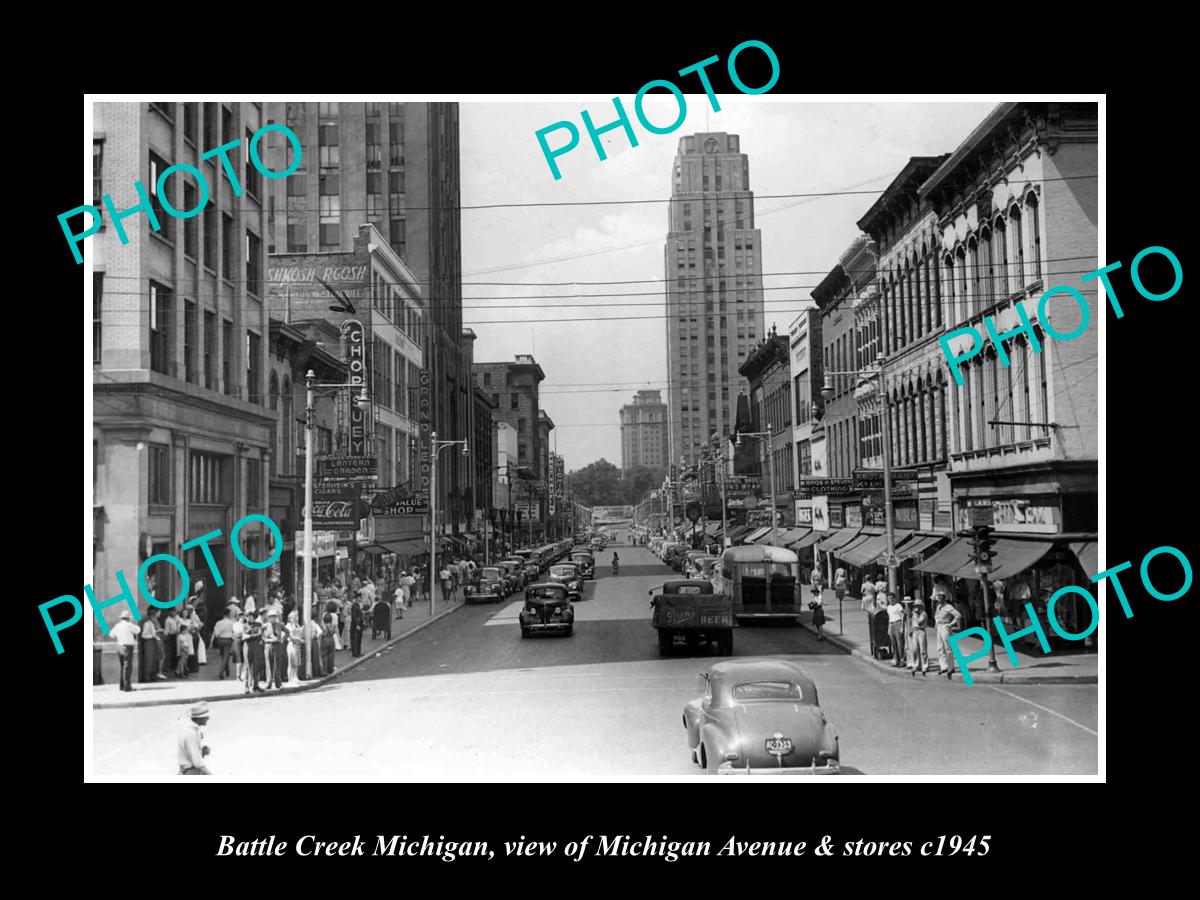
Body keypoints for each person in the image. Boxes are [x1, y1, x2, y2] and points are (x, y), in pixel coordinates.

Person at [177, 702, 212, 775]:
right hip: (191, 772)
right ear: (200, 718)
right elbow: (197, 763)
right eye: (206, 716)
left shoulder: (190, 729)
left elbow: (190, 753)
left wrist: (201, 751)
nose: (208, 718)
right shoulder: (191, 734)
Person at [111, 610, 141, 692]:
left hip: (119, 646)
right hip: (127, 647)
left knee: (122, 667)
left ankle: (121, 685)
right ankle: (127, 687)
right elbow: (138, 630)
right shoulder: (129, 625)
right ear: (128, 618)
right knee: (127, 667)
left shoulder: (117, 625)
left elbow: (111, 635)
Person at [934, 596, 963, 679]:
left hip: (945, 627)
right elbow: (936, 615)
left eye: (940, 598)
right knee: (940, 648)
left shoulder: (948, 606)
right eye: (938, 598)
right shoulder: (938, 606)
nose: (939, 600)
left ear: (944, 598)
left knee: (948, 648)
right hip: (939, 627)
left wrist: (951, 624)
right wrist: (936, 623)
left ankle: (951, 667)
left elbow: (958, 615)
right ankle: (944, 666)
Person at [138, 609, 164, 684]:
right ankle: (147, 677)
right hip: (148, 642)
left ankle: (152, 676)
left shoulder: (151, 623)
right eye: (153, 617)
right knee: (148, 660)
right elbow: (144, 635)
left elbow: (153, 633)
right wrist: (153, 636)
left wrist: (156, 635)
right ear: (151, 617)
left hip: (152, 642)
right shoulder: (147, 624)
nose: (154, 618)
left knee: (152, 660)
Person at [210, 608, 235, 679]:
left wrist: (211, 643)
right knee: (225, 657)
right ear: (229, 614)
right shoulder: (231, 623)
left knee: (223, 656)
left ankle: (227, 670)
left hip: (220, 640)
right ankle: (220, 673)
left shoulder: (218, 623)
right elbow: (234, 633)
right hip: (228, 640)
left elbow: (215, 633)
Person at [242, 614, 265, 694]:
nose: (249, 617)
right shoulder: (244, 625)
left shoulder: (258, 624)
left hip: (256, 646)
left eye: (251, 615)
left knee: (256, 667)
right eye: (248, 616)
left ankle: (255, 686)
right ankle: (246, 686)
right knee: (247, 667)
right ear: (246, 617)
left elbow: (259, 634)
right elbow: (243, 636)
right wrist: (251, 636)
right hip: (247, 646)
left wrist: (249, 636)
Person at [909, 597, 930, 676]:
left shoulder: (923, 613)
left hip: (921, 631)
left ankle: (925, 665)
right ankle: (916, 664)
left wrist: (916, 615)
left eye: (918, 605)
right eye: (915, 606)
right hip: (915, 631)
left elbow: (919, 622)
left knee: (923, 649)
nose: (916, 607)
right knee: (915, 649)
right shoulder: (914, 613)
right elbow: (912, 623)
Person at [886, 593, 906, 667]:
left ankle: (902, 660)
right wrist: (888, 628)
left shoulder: (898, 606)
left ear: (894, 598)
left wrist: (901, 627)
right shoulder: (888, 607)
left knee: (899, 643)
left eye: (891, 598)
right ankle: (895, 659)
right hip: (891, 624)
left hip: (897, 623)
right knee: (893, 643)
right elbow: (889, 618)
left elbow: (902, 616)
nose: (890, 600)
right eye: (889, 598)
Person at [162, 607, 180, 678]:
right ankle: (170, 667)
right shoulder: (168, 620)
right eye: (172, 612)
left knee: (177, 651)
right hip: (171, 636)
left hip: (178, 635)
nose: (174, 613)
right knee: (171, 652)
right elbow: (167, 630)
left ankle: (176, 666)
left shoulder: (177, 617)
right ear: (169, 612)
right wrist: (174, 632)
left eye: (175, 611)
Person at [286, 611, 302, 686]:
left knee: (296, 663)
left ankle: (295, 677)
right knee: (291, 663)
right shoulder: (288, 626)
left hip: (297, 645)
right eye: (294, 617)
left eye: (296, 616)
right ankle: (290, 679)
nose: (296, 618)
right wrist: (298, 639)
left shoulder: (297, 625)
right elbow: (289, 636)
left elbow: (300, 633)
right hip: (291, 644)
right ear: (290, 618)